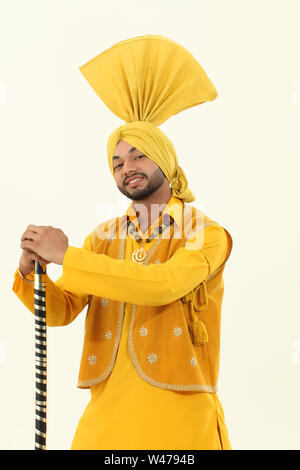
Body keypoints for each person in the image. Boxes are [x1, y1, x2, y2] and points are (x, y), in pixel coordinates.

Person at [12, 35, 233, 450]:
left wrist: (66, 254)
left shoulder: (206, 233)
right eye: (116, 162)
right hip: (107, 411)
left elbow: (161, 284)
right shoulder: (102, 238)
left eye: (138, 156)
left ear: (164, 161)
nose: (126, 168)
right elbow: (61, 311)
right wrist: (33, 274)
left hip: (179, 416)